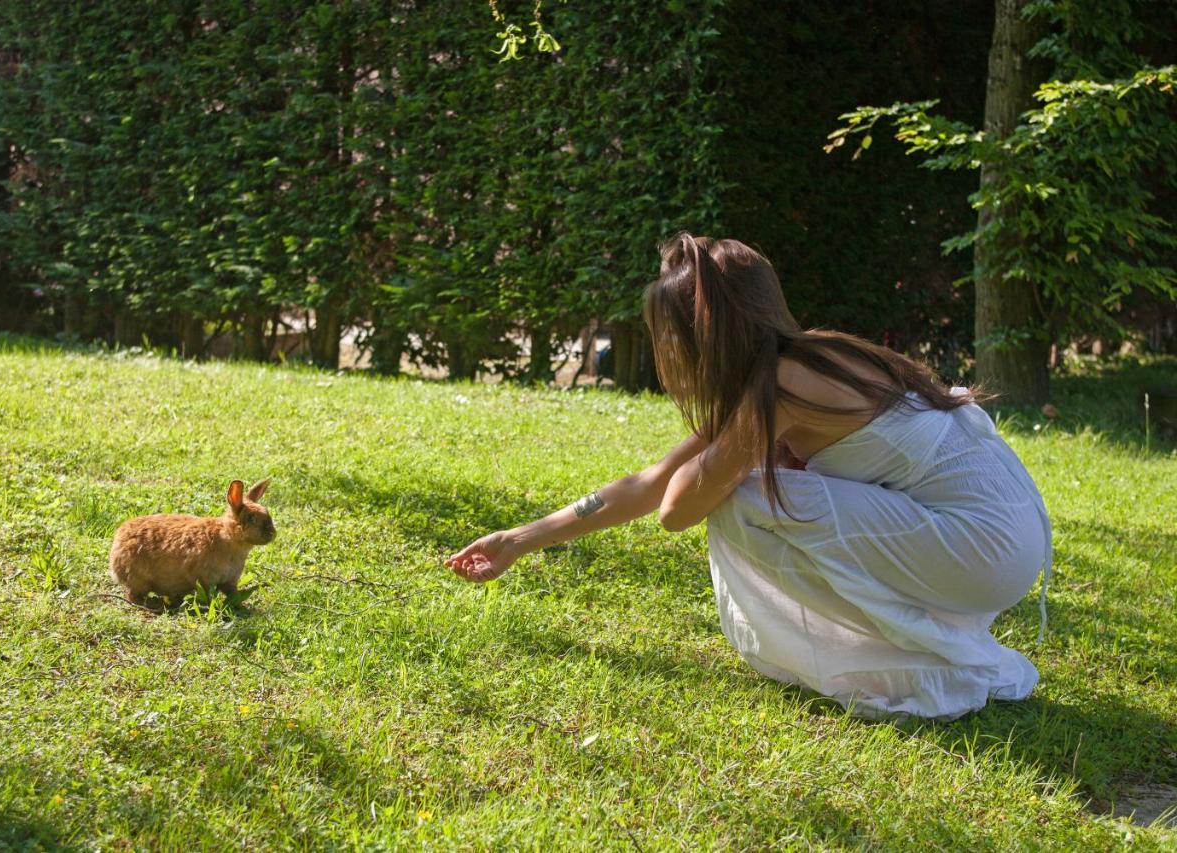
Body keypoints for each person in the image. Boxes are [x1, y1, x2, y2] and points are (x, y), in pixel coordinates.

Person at [446, 234, 1052, 720]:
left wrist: (737, 465)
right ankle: (905, 655)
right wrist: (520, 539)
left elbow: (676, 507)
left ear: (701, 335)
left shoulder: (782, 388)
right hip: (1004, 542)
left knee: (741, 494)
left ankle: (898, 667)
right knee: (743, 481)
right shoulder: (805, 360)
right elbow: (652, 480)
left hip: (983, 548)